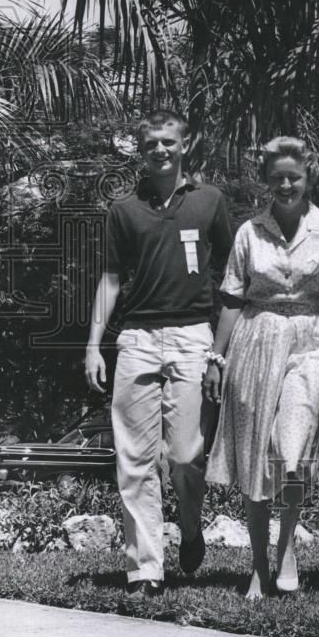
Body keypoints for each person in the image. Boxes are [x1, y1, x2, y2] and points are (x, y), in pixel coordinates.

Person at [203, 137, 319, 599]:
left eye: (294, 176)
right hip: (255, 342)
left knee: (291, 451)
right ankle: (258, 565)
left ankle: (288, 547)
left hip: (311, 342)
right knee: (258, 454)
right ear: (266, 181)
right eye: (277, 178)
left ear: (308, 176)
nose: (286, 184)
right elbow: (232, 300)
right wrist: (216, 358)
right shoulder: (249, 232)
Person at [85, 109, 234, 606]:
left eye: (169, 142)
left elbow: (233, 279)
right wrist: (94, 344)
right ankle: (145, 568)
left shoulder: (210, 202)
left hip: (194, 335)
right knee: (134, 460)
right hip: (137, 338)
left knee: (186, 456)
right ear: (140, 149)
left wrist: (222, 350)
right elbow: (110, 279)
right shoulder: (124, 209)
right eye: (151, 143)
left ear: (185, 144)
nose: (160, 150)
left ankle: (190, 529)